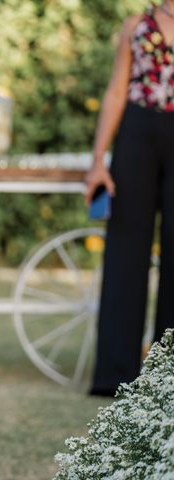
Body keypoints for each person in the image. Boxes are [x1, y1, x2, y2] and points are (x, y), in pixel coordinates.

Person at [86, 1, 174, 396]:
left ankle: (167, 380)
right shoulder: (135, 25)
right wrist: (98, 162)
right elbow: (116, 90)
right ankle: (116, 377)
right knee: (125, 252)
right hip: (136, 136)